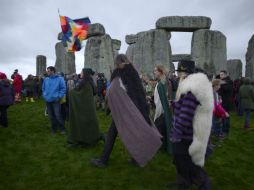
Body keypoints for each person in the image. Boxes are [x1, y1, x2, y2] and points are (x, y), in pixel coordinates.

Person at [90, 54, 162, 168]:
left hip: (126, 111)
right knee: (129, 132)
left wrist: (109, 100)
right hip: (135, 109)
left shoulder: (119, 75)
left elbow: (112, 91)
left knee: (114, 133)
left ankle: (103, 160)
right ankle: (135, 158)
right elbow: (139, 91)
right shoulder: (133, 73)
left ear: (118, 63)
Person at [169, 60, 213, 189]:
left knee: (187, 163)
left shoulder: (191, 90)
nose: (178, 76)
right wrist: (175, 104)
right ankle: (182, 183)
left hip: (187, 135)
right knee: (180, 160)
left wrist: (176, 133)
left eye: (181, 73)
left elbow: (186, 115)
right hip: (188, 133)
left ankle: (204, 184)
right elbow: (185, 106)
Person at [68, 68, 104, 146]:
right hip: (88, 107)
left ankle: (90, 138)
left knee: (87, 122)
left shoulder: (86, 84)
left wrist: (71, 92)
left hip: (87, 107)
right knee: (87, 122)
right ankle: (90, 138)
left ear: (85, 73)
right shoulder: (87, 82)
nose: (80, 73)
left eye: (81, 72)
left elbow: (80, 95)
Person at [153, 65, 173, 153]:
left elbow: (158, 102)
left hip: (162, 111)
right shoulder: (167, 82)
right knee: (166, 129)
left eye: (155, 71)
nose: (154, 72)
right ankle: (166, 147)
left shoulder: (160, 84)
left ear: (160, 72)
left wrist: (157, 115)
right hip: (168, 111)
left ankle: (162, 147)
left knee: (159, 129)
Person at [42, 66, 66, 134]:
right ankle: (53, 129)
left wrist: (59, 97)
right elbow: (43, 89)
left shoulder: (60, 79)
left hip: (56, 100)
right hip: (48, 100)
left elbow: (63, 89)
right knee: (51, 116)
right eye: (47, 71)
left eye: (48, 71)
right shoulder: (46, 79)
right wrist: (45, 96)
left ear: (53, 71)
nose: (47, 72)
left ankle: (62, 128)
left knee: (58, 115)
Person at [218, 70, 233, 135]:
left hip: (226, 102)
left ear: (226, 75)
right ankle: (223, 130)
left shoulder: (229, 81)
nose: (221, 76)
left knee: (226, 116)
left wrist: (220, 84)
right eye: (220, 75)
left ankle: (225, 131)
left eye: (222, 74)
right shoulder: (223, 81)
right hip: (223, 101)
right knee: (223, 117)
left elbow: (227, 89)